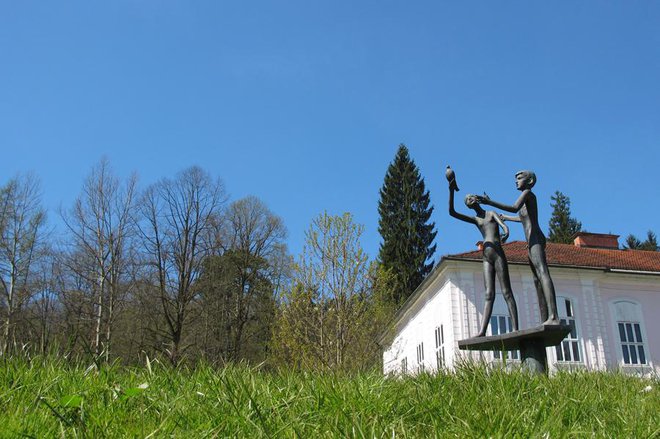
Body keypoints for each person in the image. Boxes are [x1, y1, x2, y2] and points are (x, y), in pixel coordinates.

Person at [477, 170, 560, 325]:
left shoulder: (528, 193)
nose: (516, 181)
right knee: (536, 279)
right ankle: (545, 318)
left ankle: (554, 316)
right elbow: (522, 217)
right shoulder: (526, 199)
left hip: (535, 238)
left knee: (542, 273)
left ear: (529, 181)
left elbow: (515, 207)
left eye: (519, 178)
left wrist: (490, 202)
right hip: (531, 240)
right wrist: (506, 218)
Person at [449, 184, 518, 337]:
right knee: (489, 294)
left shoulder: (490, 213)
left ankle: (515, 328)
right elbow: (452, 212)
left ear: (476, 199)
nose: (468, 200)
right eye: (466, 200)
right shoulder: (476, 220)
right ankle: (482, 331)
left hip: (498, 252)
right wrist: (451, 189)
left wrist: (506, 231)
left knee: (506, 291)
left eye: (470, 197)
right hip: (486, 256)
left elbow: (504, 227)